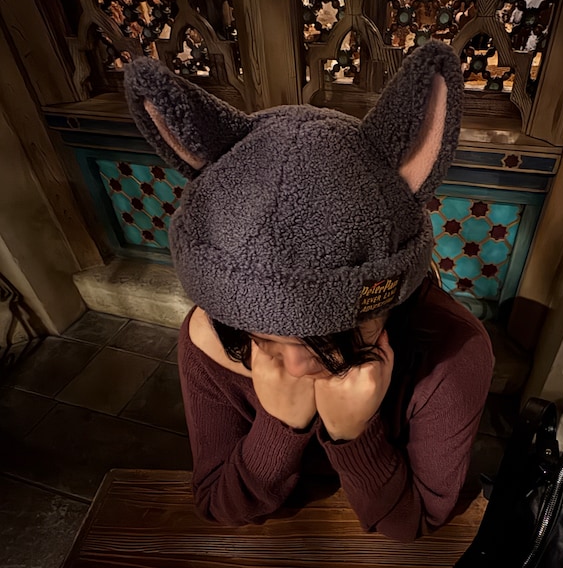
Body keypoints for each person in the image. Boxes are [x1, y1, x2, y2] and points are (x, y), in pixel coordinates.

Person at [124, 41, 494, 542]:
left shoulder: (453, 352)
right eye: (262, 337)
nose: (298, 366)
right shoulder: (207, 339)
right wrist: (280, 426)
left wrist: (353, 435)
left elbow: (416, 522)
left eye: (337, 332)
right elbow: (217, 504)